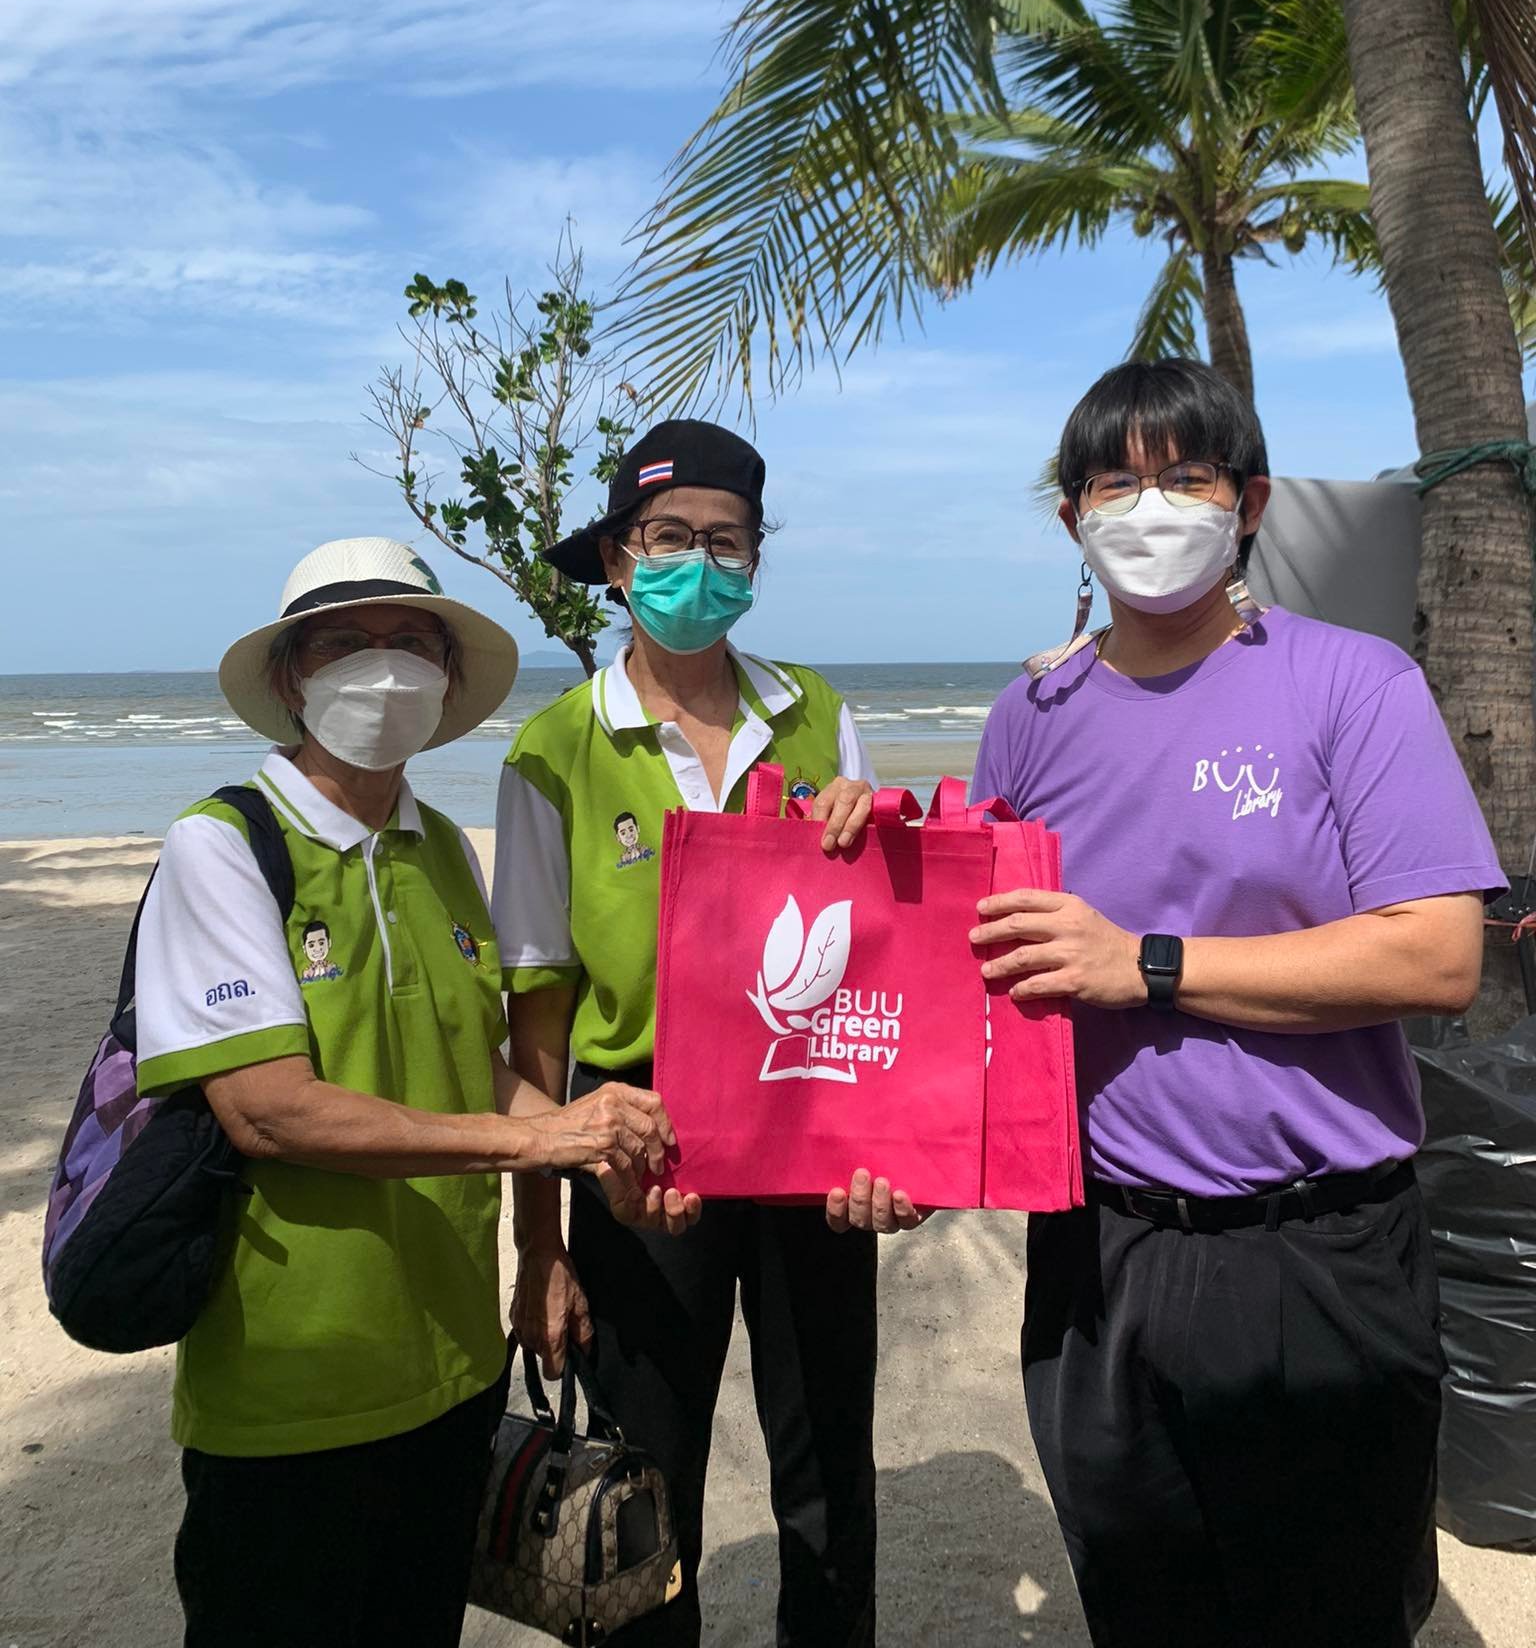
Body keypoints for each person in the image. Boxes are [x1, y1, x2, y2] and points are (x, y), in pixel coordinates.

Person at [966, 361, 1502, 1648]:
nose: (1149, 507)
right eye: (1115, 482)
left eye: (1187, 476)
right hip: (1098, 1254)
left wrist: (1149, 963)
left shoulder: (1354, 682)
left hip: (1315, 1249)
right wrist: (850, 834)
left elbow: (1437, 955)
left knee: (1333, 1613)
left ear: (1248, 502)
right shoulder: (1030, 714)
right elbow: (965, 970)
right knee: (1141, 1606)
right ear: (1072, 518)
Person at [133, 536, 689, 1648]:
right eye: (344, 642)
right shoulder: (224, 845)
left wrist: (596, 1145)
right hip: (291, 1382)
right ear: (291, 675)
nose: (381, 667)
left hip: (452, 1369)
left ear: (446, 675)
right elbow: (269, 1107)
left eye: (410, 643)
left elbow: (475, 1065)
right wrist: (537, 1142)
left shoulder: (443, 851)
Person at [494, 419, 881, 1647]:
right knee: (645, 1477)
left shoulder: (812, 709)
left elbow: (877, 947)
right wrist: (541, 1245)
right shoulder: (554, 753)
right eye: (670, 538)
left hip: (810, 1125)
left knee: (830, 1463)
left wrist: (878, 827)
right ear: (619, 557)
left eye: (728, 540)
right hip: (638, 1151)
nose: (699, 563)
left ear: (757, 557)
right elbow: (538, 1023)